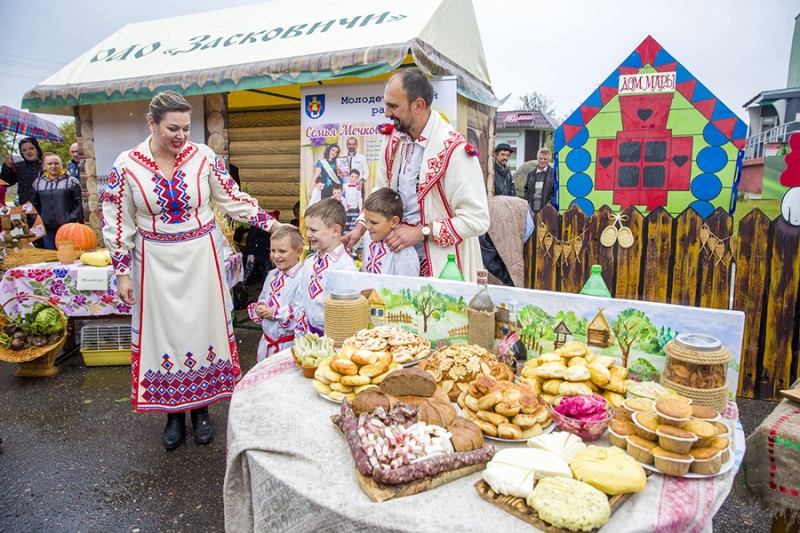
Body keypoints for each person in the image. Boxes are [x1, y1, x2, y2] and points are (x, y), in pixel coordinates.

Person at [102, 90, 282, 451]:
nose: (180, 136)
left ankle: (201, 412)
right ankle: (172, 415)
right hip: (154, 261)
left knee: (201, 332)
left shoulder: (204, 157)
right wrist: (122, 272)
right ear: (151, 124)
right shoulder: (126, 165)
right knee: (165, 336)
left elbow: (232, 198)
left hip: (201, 257)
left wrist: (272, 226)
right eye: (172, 128)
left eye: (185, 128)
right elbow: (117, 221)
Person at [342, 68, 490, 282]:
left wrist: (421, 232)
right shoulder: (393, 139)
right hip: (396, 261)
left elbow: (477, 219)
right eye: (386, 105)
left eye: (393, 106)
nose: (386, 113)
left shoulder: (455, 150)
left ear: (418, 106)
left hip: (442, 266)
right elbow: (381, 193)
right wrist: (360, 227)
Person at [294, 198, 358, 336]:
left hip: (334, 339)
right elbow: (301, 296)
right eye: (307, 229)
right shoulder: (310, 262)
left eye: (314, 230)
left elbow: (347, 312)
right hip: (308, 336)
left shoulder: (344, 268)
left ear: (335, 231)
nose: (308, 234)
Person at [247, 225, 304, 362]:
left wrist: (276, 313)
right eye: (272, 250)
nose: (276, 256)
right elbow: (264, 296)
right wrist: (261, 307)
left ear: (298, 251)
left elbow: (302, 312)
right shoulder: (272, 275)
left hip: (288, 347)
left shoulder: (303, 277)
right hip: (267, 343)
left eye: (282, 251)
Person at [361, 188, 420, 277]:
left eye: (374, 222)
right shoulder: (368, 236)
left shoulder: (403, 250)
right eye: (366, 220)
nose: (367, 226)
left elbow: (407, 286)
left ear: (394, 222)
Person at [30, 153, 83, 250]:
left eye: (56, 163)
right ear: (44, 166)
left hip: (67, 228)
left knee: (68, 255)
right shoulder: (38, 183)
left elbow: (79, 203)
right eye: (50, 164)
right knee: (51, 257)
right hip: (47, 228)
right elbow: (34, 205)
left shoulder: (71, 182)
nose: (53, 166)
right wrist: (39, 220)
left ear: (61, 164)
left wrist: (70, 219)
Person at [524, 147, 555, 214]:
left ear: (549, 160)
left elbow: (555, 192)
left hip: (547, 210)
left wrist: (549, 205)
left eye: (545, 159)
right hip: (531, 209)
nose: (542, 161)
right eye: (541, 158)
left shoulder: (553, 174)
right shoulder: (531, 173)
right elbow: (526, 190)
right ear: (537, 158)